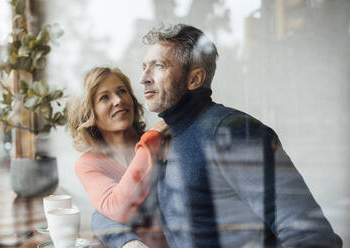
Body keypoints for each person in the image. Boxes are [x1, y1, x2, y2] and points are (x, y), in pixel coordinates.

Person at [139, 24, 343, 248]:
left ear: (195, 79)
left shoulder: (232, 133)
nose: (144, 78)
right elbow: (116, 209)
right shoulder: (167, 138)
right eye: (144, 67)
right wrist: (125, 241)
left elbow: (311, 237)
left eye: (158, 66)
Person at [68, 67, 169, 248]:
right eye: (104, 97)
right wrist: (149, 144)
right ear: (90, 113)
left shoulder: (160, 140)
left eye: (122, 91)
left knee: (99, 216)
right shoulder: (89, 163)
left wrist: (151, 141)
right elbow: (120, 209)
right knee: (100, 216)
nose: (119, 100)